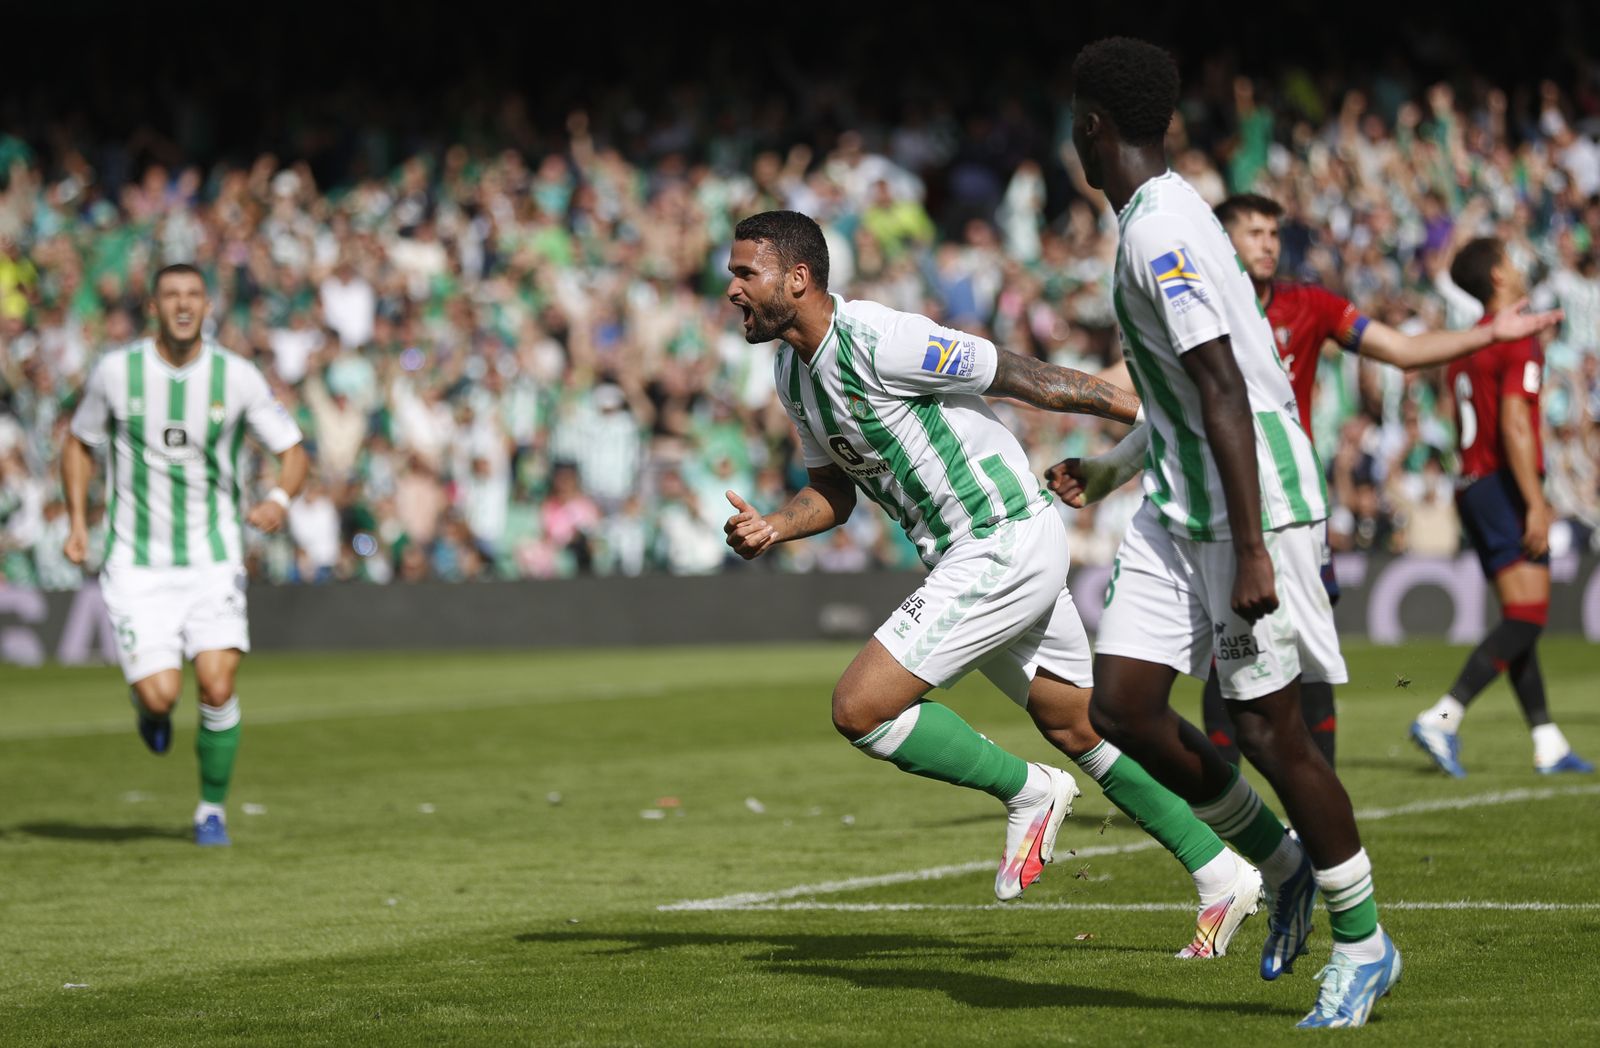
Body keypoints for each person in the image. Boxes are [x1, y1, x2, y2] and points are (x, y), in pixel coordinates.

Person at [722, 210, 1263, 960]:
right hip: (968, 555)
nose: (733, 290)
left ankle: (1028, 789)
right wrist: (776, 527)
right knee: (1080, 725)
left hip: (1000, 538)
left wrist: (1158, 417)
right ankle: (1222, 872)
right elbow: (833, 492)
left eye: (744, 273)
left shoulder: (884, 340)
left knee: (860, 708)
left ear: (798, 278)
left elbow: (1031, 380)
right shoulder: (792, 374)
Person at [1056, 37, 1396, 1028]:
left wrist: (1251, 547)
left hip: (1251, 508)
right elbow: (1182, 393)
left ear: (1091, 127)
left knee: (1267, 731)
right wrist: (1114, 469)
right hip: (1180, 499)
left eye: (1072, 122)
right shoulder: (1155, 216)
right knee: (1121, 707)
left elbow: (1221, 388)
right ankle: (1281, 867)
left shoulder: (1162, 230)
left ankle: (1365, 944)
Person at [1195, 194, 1563, 769]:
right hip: (1224, 497)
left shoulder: (1311, 304)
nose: (1268, 243)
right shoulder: (1195, 312)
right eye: (1253, 232)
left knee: (1309, 647)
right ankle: (1224, 798)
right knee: (1230, 644)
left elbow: (1405, 351)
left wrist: (1489, 333)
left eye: (1273, 232)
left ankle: (1542, 739)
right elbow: (1515, 423)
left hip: (1301, 500)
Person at [61, 264, 309, 846]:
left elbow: (293, 449)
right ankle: (149, 710)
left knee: (217, 685)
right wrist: (76, 522)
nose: (182, 304)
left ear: (207, 305)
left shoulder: (237, 376)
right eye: (171, 295)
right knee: (162, 695)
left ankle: (211, 810)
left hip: (212, 559)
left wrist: (278, 498)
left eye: (193, 294)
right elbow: (78, 443)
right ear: (153, 306)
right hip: (136, 562)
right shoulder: (117, 372)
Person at [1409, 238, 1593, 777]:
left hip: (1472, 485)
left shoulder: (1469, 342)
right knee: (1529, 617)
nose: (1521, 266)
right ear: (1497, 277)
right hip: (1503, 485)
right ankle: (1443, 717)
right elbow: (1514, 424)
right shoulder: (1517, 337)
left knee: (1520, 618)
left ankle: (1547, 740)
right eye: (1512, 260)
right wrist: (1535, 502)